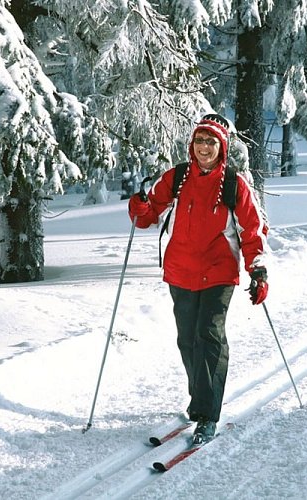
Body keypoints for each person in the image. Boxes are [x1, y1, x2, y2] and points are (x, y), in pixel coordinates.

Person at [127, 114, 269, 444]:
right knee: (187, 338)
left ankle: (207, 413)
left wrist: (257, 270)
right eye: (200, 141)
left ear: (223, 147)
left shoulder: (234, 184)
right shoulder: (176, 177)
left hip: (219, 272)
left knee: (209, 335)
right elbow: (148, 217)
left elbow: (252, 231)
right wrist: (140, 205)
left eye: (211, 142)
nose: (204, 147)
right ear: (193, 145)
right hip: (181, 271)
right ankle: (200, 399)